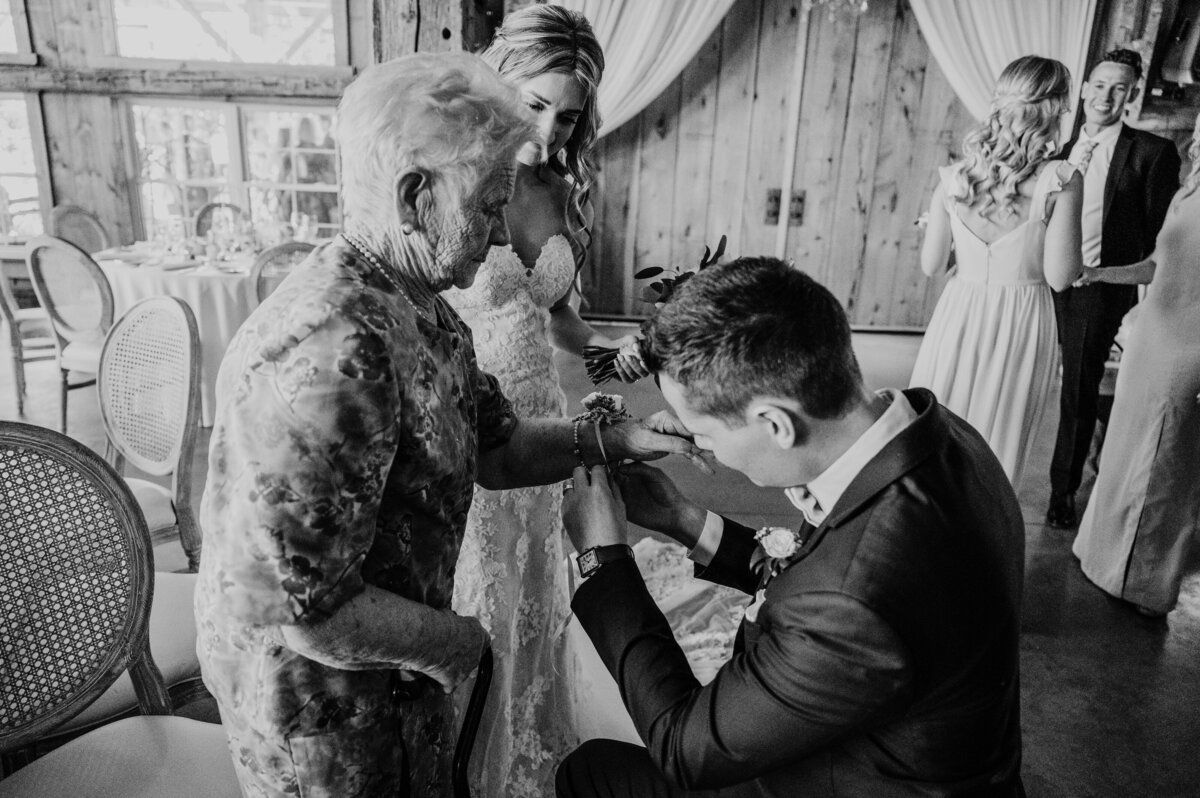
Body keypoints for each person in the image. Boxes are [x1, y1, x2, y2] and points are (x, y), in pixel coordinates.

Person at [194, 52, 696, 798]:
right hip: (324, 709)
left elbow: (496, 444)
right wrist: (460, 641)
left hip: (395, 671)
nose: (502, 236)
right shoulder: (335, 347)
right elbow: (311, 613)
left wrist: (611, 439)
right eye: (490, 206)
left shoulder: (418, 299)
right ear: (413, 196)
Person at [557, 257, 1027, 797]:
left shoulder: (851, 601)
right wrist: (681, 518)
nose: (702, 445)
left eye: (705, 431)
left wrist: (603, 560)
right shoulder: (938, 436)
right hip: (925, 747)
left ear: (776, 423)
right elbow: (824, 567)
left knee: (591, 771)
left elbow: (685, 748)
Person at [442, 7, 648, 796]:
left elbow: (554, 313)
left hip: (542, 413)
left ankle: (526, 736)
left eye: (567, 115)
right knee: (477, 596)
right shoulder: (454, 176)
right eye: (534, 105)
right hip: (471, 421)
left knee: (535, 589)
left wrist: (621, 353)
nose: (551, 131)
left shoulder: (561, 185)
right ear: (497, 84)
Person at [909, 54, 1083, 491]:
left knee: (935, 436)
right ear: (1056, 107)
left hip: (959, 315)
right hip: (1022, 322)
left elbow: (932, 266)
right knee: (997, 451)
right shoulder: (1062, 179)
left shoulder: (953, 179)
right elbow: (1062, 276)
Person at [1069, 109, 1198, 618]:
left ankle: (1144, 585)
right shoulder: (1187, 193)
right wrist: (1099, 274)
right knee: (1126, 452)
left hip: (1188, 348)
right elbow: (1158, 266)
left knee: (1163, 465)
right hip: (1152, 339)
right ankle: (1100, 559)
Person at [1045, 48, 1181, 528]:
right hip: (1034, 283)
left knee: (1078, 389)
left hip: (1094, 287)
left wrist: (1117, 281)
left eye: (1119, 88)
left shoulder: (1151, 153)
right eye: (1100, 85)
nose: (1106, 95)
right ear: (1084, 89)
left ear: (1131, 95)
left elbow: (1158, 236)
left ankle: (1062, 490)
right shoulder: (1049, 146)